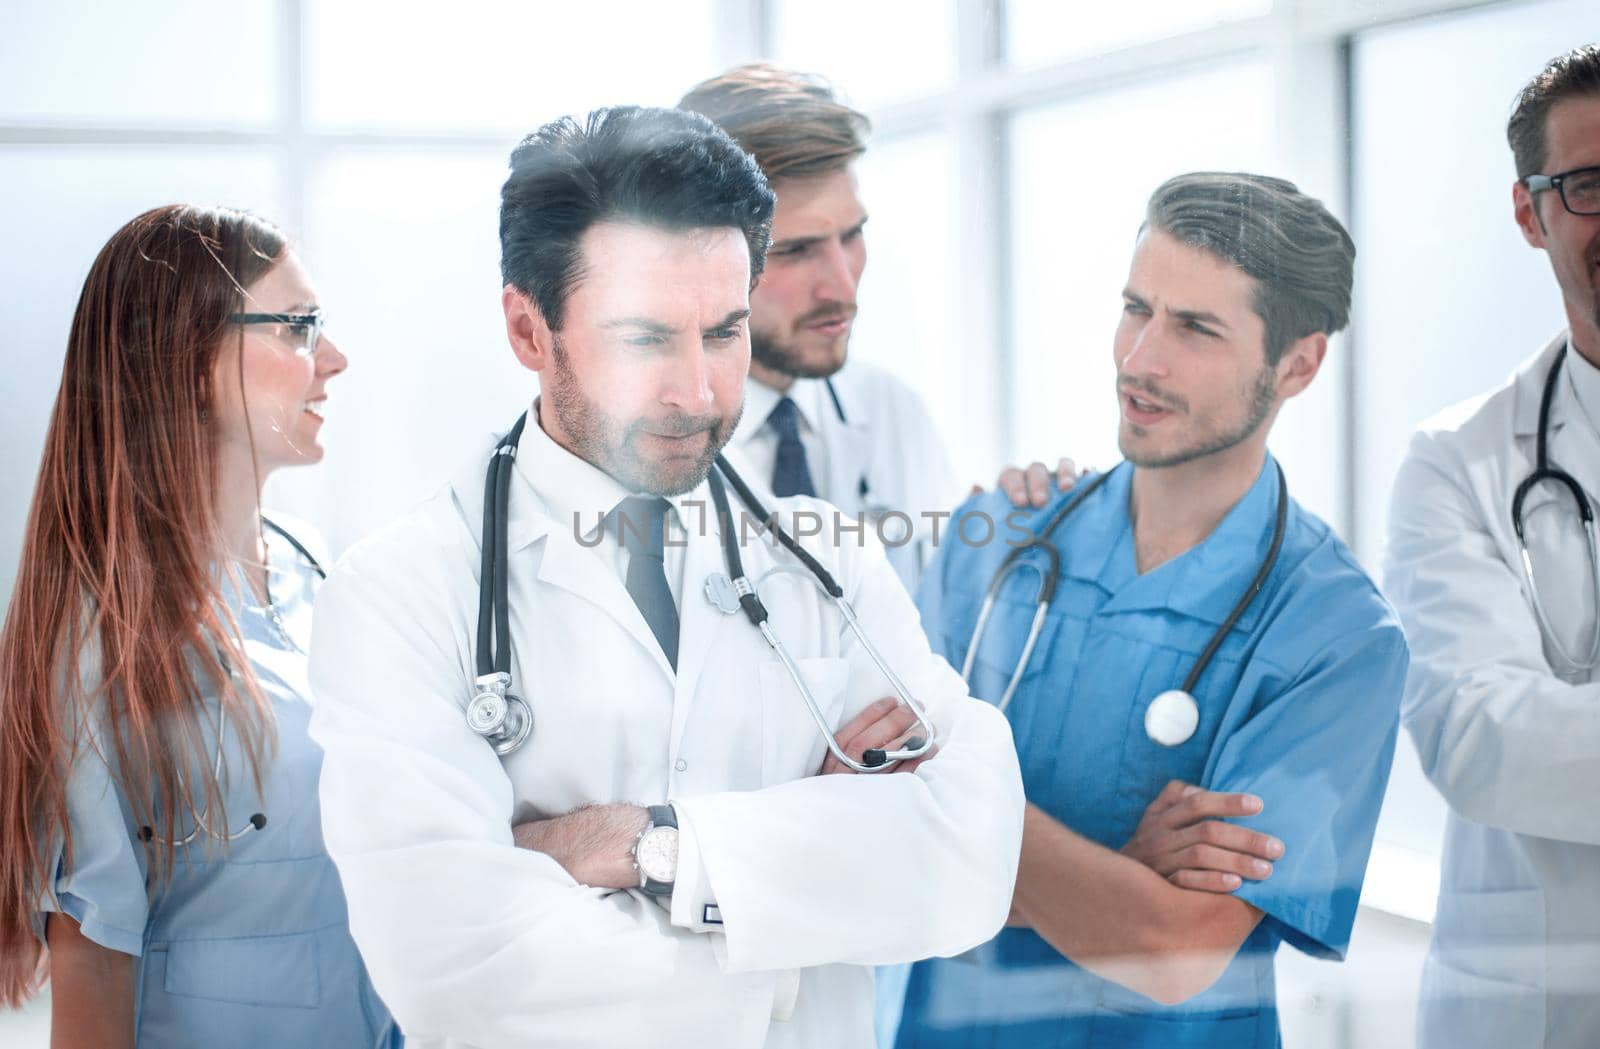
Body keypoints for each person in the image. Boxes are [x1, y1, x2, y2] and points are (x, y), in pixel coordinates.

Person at [304, 106, 1023, 1049]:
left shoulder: (824, 556)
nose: (699, 391)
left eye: (723, 332)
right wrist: (790, 936)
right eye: (645, 340)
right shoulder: (399, 595)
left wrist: (640, 845)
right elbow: (460, 972)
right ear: (529, 329)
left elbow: (969, 857)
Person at [890, 172, 1409, 1048]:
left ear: (1298, 363)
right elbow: (874, 829)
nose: (1139, 360)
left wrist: (953, 813)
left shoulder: (1336, 636)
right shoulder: (998, 540)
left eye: (1196, 328)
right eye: (1137, 309)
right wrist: (1122, 876)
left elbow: (1172, 952)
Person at [0, 205, 396, 1047]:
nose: (333, 359)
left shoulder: (316, 567)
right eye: (298, 326)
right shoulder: (101, 634)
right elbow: (92, 961)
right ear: (186, 352)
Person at [1385, 44, 1600, 1048]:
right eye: (1592, 185)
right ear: (1530, 213)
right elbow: (1478, 737)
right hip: (1537, 1013)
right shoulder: (1456, 462)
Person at [678, 64, 964, 591]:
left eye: (852, 236)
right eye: (796, 250)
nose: (843, 287)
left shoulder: (891, 412)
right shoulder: (644, 447)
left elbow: (948, 629)